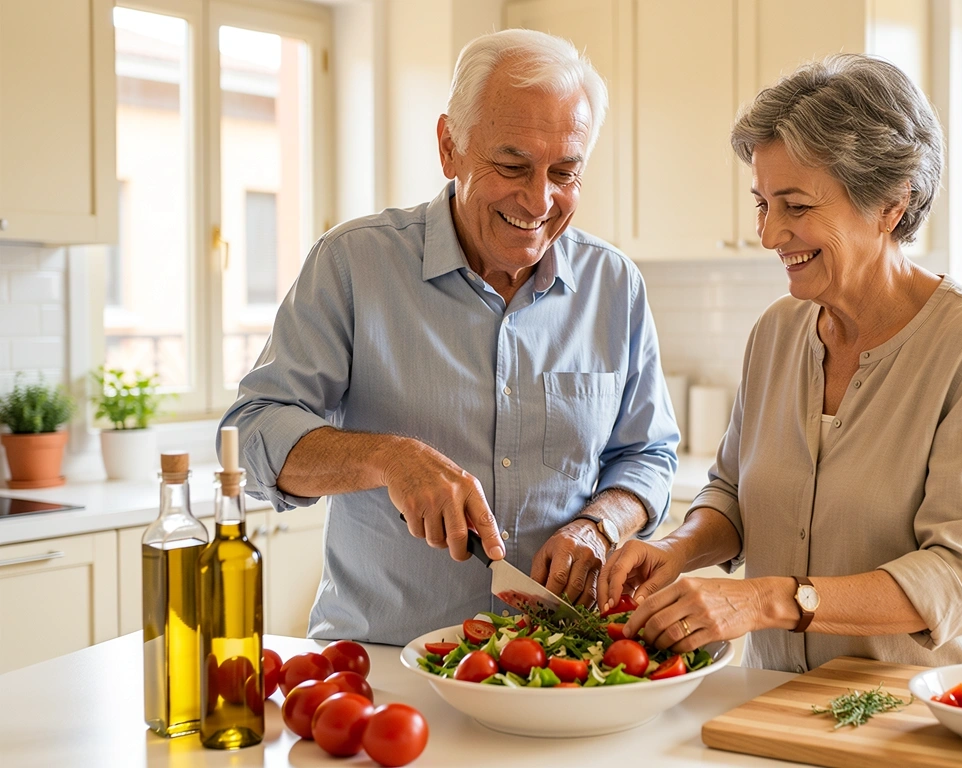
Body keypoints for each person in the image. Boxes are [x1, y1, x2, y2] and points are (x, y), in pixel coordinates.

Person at [220, 29, 678, 646]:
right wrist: (387, 459)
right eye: (511, 165)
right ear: (449, 147)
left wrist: (601, 524)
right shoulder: (353, 263)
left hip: (555, 667)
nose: (539, 199)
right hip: (379, 667)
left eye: (564, 172)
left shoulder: (614, 285)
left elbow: (648, 455)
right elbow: (250, 433)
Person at [598, 54, 962, 672]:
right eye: (762, 204)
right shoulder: (776, 333)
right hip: (776, 699)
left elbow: (959, 574)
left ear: (890, 203)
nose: (770, 234)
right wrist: (677, 549)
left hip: (929, 713)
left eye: (797, 207)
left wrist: (767, 599)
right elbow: (731, 495)